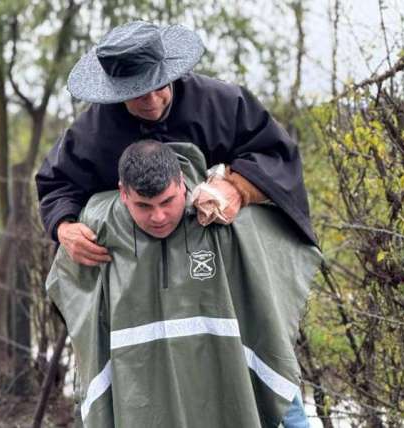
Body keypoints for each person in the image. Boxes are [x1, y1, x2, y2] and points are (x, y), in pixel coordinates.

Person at [46, 141, 319, 428]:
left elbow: (281, 168)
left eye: (167, 202)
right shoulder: (101, 225)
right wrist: (63, 227)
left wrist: (237, 188)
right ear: (123, 193)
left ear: (181, 184)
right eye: (144, 206)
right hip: (144, 375)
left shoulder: (221, 212)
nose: (158, 217)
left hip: (227, 361)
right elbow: (66, 283)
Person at [35, 20, 317, 267]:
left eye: (158, 85)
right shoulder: (91, 132)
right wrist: (64, 228)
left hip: (222, 260)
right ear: (115, 90)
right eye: (137, 93)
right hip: (136, 270)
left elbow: (276, 154)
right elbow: (57, 184)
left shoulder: (221, 103)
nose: (152, 101)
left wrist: (238, 188)